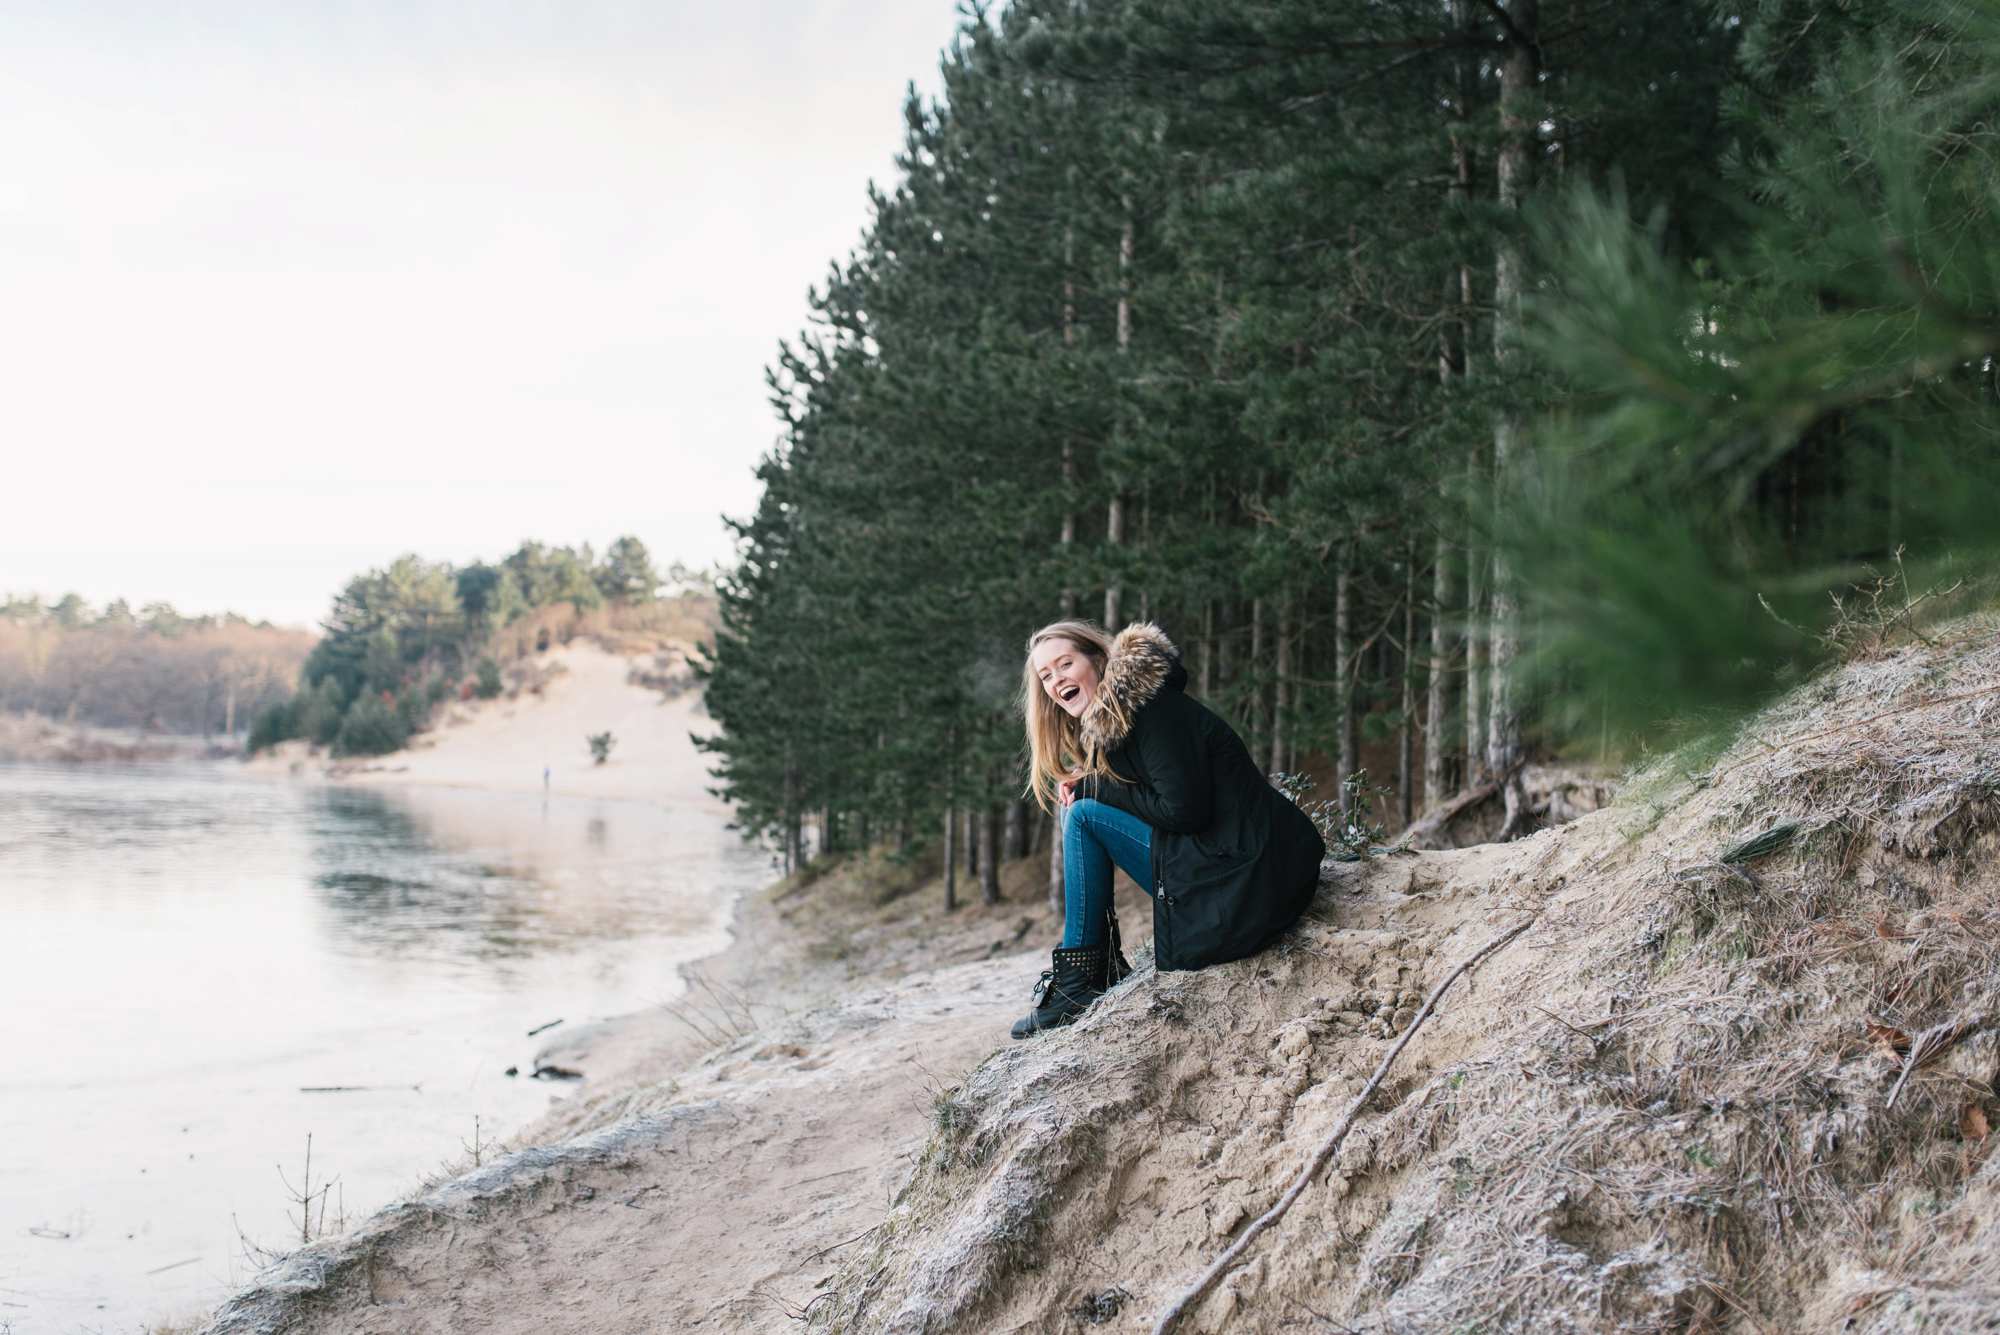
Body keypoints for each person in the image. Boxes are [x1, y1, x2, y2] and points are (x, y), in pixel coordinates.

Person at [1012, 619, 1326, 1039]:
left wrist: (1097, 787)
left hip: (1249, 880)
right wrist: (1094, 785)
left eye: (1065, 664)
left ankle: (1080, 980)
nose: (1056, 681)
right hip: (1230, 866)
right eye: (1046, 675)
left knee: (1085, 814)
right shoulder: (1123, 722)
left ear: (1099, 659)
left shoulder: (1154, 710)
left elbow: (1184, 812)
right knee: (1083, 809)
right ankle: (1092, 968)